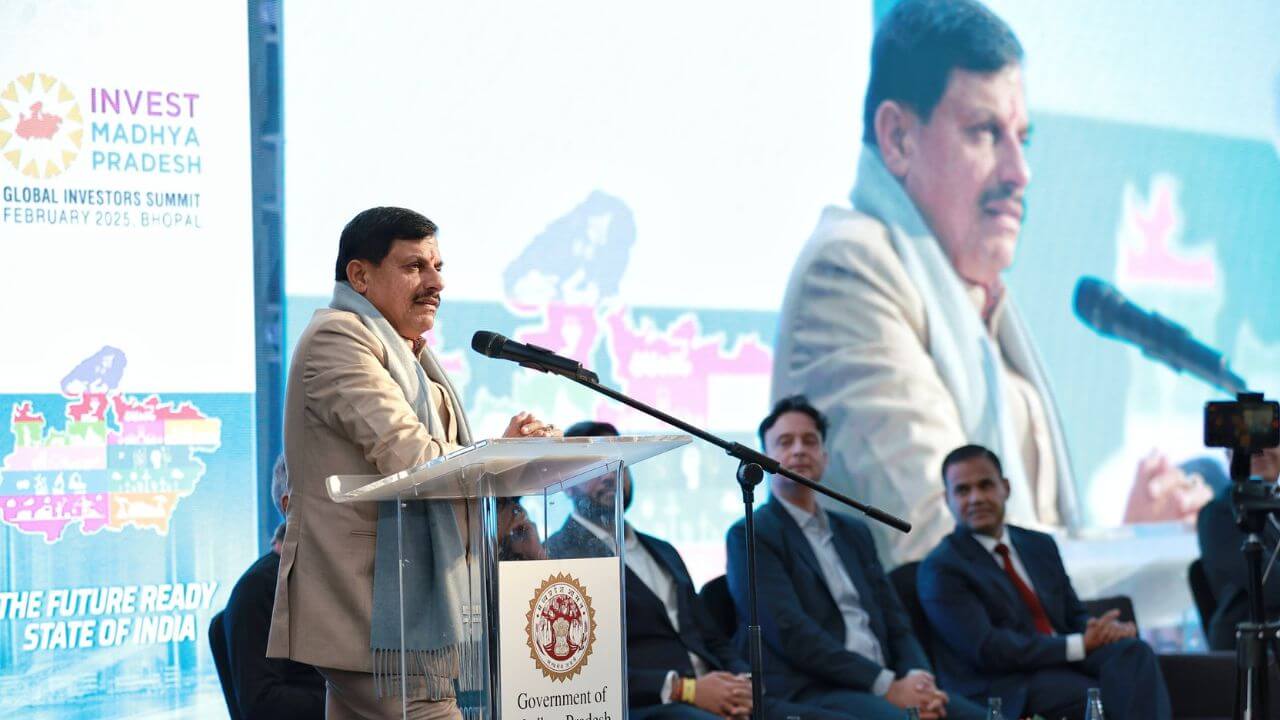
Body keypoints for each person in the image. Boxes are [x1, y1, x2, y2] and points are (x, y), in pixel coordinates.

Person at [266, 206, 559, 720]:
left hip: (397, 609)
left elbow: (433, 459)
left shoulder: (409, 353)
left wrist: (510, 451)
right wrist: (504, 454)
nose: (435, 283)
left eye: (438, 267)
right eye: (414, 266)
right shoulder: (338, 338)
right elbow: (414, 460)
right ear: (360, 275)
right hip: (368, 604)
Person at [545, 421, 837, 720]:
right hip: (653, 705)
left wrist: (743, 685)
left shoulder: (662, 550)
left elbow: (710, 636)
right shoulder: (557, 558)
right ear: (566, 483)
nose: (610, 475)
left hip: (722, 696)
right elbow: (582, 664)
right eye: (595, 465)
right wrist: (686, 690)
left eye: (618, 463)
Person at [725, 397, 983, 720]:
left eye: (810, 441)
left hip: (889, 683)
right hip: (815, 688)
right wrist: (886, 686)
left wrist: (920, 682)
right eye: (785, 442)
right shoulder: (752, 533)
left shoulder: (854, 531)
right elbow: (790, 632)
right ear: (763, 458)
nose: (799, 450)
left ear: (824, 456)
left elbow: (896, 620)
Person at [919, 444, 1170, 720]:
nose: (976, 498)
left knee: (1134, 653)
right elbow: (989, 649)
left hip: (1060, 660)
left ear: (1006, 488)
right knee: (1094, 694)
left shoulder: (1038, 544)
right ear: (947, 499)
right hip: (1003, 682)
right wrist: (1078, 645)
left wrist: (1104, 631)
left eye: (985, 485)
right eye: (962, 490)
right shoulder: (942, 567)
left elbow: (1072, 615)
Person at [222, 455, 325, 720]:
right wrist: (351, 699)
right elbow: (263, 704)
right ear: (290, 506)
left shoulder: (326, 580)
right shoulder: (258, 590)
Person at [1197, 447, 1280, 650]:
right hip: (1251, 648)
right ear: (1228, 454)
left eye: (1270, 439)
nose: (1259, 450)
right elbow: (1271, 586)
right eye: (1249, 442)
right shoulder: (1220, 514)